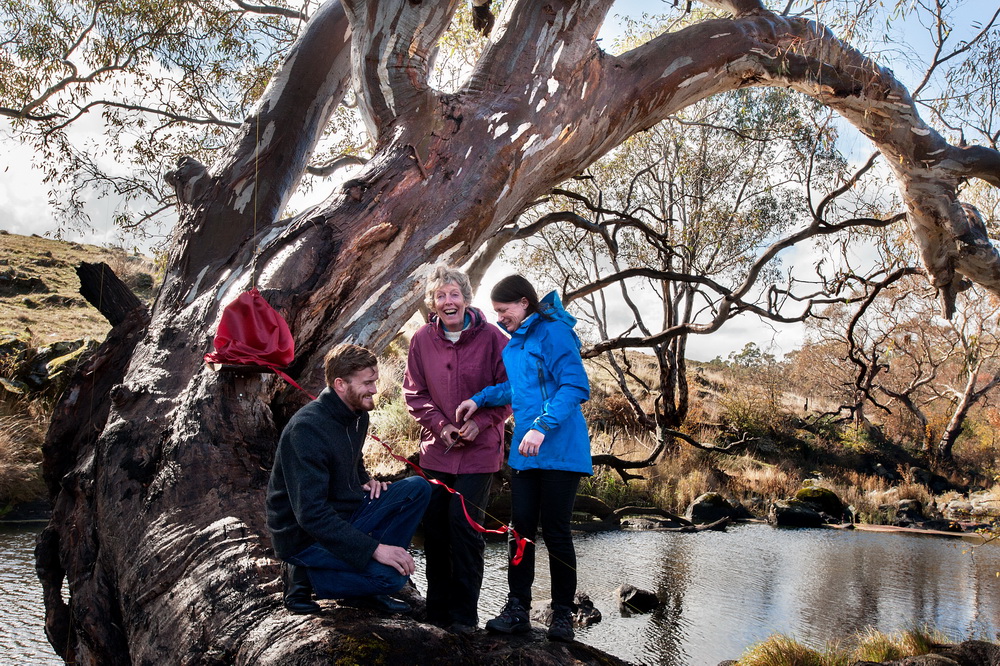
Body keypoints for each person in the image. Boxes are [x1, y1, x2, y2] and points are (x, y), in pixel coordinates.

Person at [456, 274, 592, 642]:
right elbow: (515, 389)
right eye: (496, 312)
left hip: (561, 449)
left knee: (558, 532)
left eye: (504, 310)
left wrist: (541, 426)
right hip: (527, 456)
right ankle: (518, 608)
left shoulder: (555, 333)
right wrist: (479, 399)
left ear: (523, 303)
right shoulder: (514, 346)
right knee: (521, 531)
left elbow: (576, 385)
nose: (500, 318)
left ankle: (563, 615)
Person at [266, 343, 431, 614]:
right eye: (368, 383)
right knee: (392, 578)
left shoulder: (357, 414)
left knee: (417, 488)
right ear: (340, 384)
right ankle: (305, 578)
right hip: (304, 537)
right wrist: (374, 549)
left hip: (346, 514)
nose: (375, 390)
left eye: (375, 381)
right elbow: (310, 515)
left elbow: (352, 459)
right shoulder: (306, 430)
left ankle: (367, 583)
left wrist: (365, 479)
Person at [403, 265, 511, 633]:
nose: (448, 302)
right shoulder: (420, 340)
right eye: (440, 296)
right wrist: (442, 426)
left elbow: (512, 393)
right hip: (437, 452)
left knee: (464, 530)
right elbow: (414, 394)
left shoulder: (495, 338)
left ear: (466, 298)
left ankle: (465, 616)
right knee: (434, 529)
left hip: (481, 455)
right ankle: (436, 611)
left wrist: (479, 423)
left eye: (454, 294)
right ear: (432, 304)